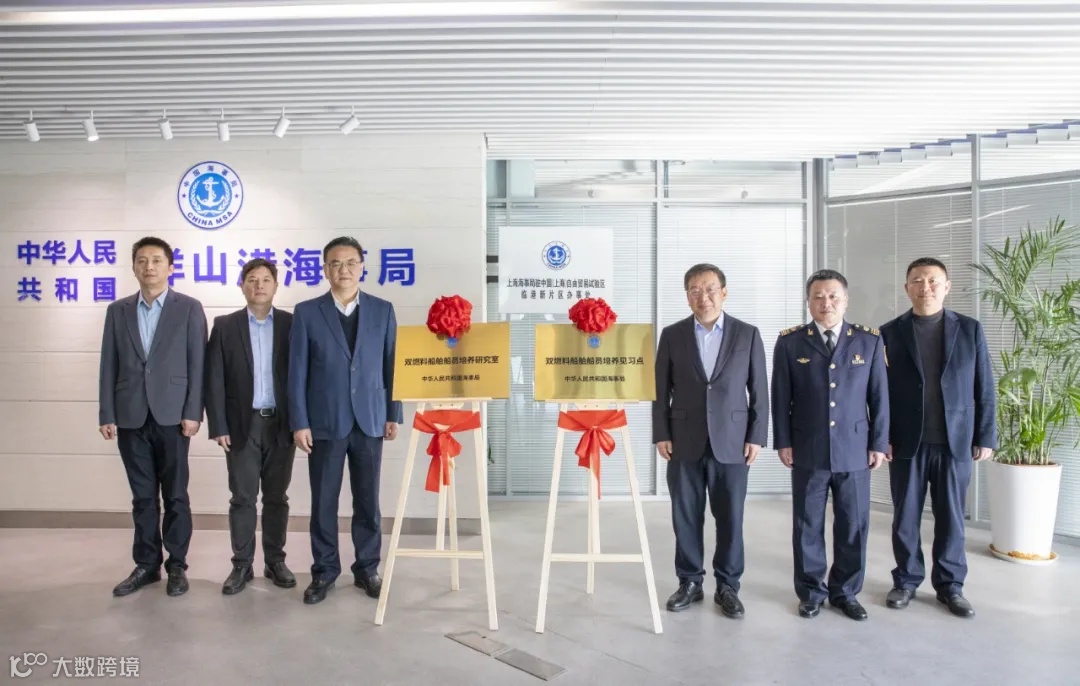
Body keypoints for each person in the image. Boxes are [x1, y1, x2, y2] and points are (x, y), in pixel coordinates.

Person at [880, 257, 996, 618]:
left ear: (946, 287)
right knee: (905, 517)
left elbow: (984, 386)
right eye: (917, 280)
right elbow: (879, 392)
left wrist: (986, 436)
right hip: (906, 443)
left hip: (954, 442)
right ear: (907, 288)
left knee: (951, 518)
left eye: (932, 281)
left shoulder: (970, 329)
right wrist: (881, 437)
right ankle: (906, 580)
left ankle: (950, 586)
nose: (925, 287)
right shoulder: (889, 332)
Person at [289, 237, 403, 605]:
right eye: (336, 263)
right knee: (324, 501)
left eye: (351, 262)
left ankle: (367, 568)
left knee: (368, 500)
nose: (344, 270)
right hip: (324, 421)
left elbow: (391, 364)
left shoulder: (382, 310)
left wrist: (393, 413)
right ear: (325, 269)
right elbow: (297, 372)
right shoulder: (307, 312)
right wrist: (299, 422)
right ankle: (324, 570)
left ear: (362, 267)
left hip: (370, 420)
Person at [771, 269, 888, 621]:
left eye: (833, 296)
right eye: (818, 297)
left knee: (853, 524)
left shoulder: (868, 341)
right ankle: (811, 592)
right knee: (807, 524)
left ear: (846, 300)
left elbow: (880, 397)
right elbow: (781, 397)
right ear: (809, 302)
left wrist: (879, 443)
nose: (826, 303)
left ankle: (846, 592)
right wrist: (784, 441)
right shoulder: (791, 342)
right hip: (808, 447)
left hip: (855, 448)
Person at [652, 264, 769, 617]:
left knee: (730, 517)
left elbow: (759, 391)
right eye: (694, 290)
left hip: (732, 442)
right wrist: (661, 433)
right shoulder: (672, 335)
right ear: (687, 296)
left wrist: (756, 436)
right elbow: (660, 390)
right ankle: (689, 581)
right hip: (683, 440)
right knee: (686, 516)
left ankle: (728, 586)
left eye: (710, 289)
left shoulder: (747, 334)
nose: (703, 297)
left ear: (724, 292)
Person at [98, 236, 207, 598]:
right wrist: (107, 412)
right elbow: (108, 364)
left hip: (173, 417)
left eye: (157, 260)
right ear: (134, 267)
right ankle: (146, 565)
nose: (149, 267)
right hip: (130, 415)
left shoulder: (188, 308)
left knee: (175, 495)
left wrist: (193, 412)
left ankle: (177, 565)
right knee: (142, 497)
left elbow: (198, 364)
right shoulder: (118, 311)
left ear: (170, 267)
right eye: (142, 260)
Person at [205, 258, 297, 595]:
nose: (259, 285)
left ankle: (275, 561)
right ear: (242, 285)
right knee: (242, 498)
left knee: (276, 497)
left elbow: (302, 375)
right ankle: (241, 565)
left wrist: (301, 422)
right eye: (252, 279)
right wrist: (218, 425)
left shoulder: (291, 324)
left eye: (266, 279)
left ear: (276, 285)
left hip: (281, 425)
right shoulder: (225, 326)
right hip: (241, 425)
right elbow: (214, 378)